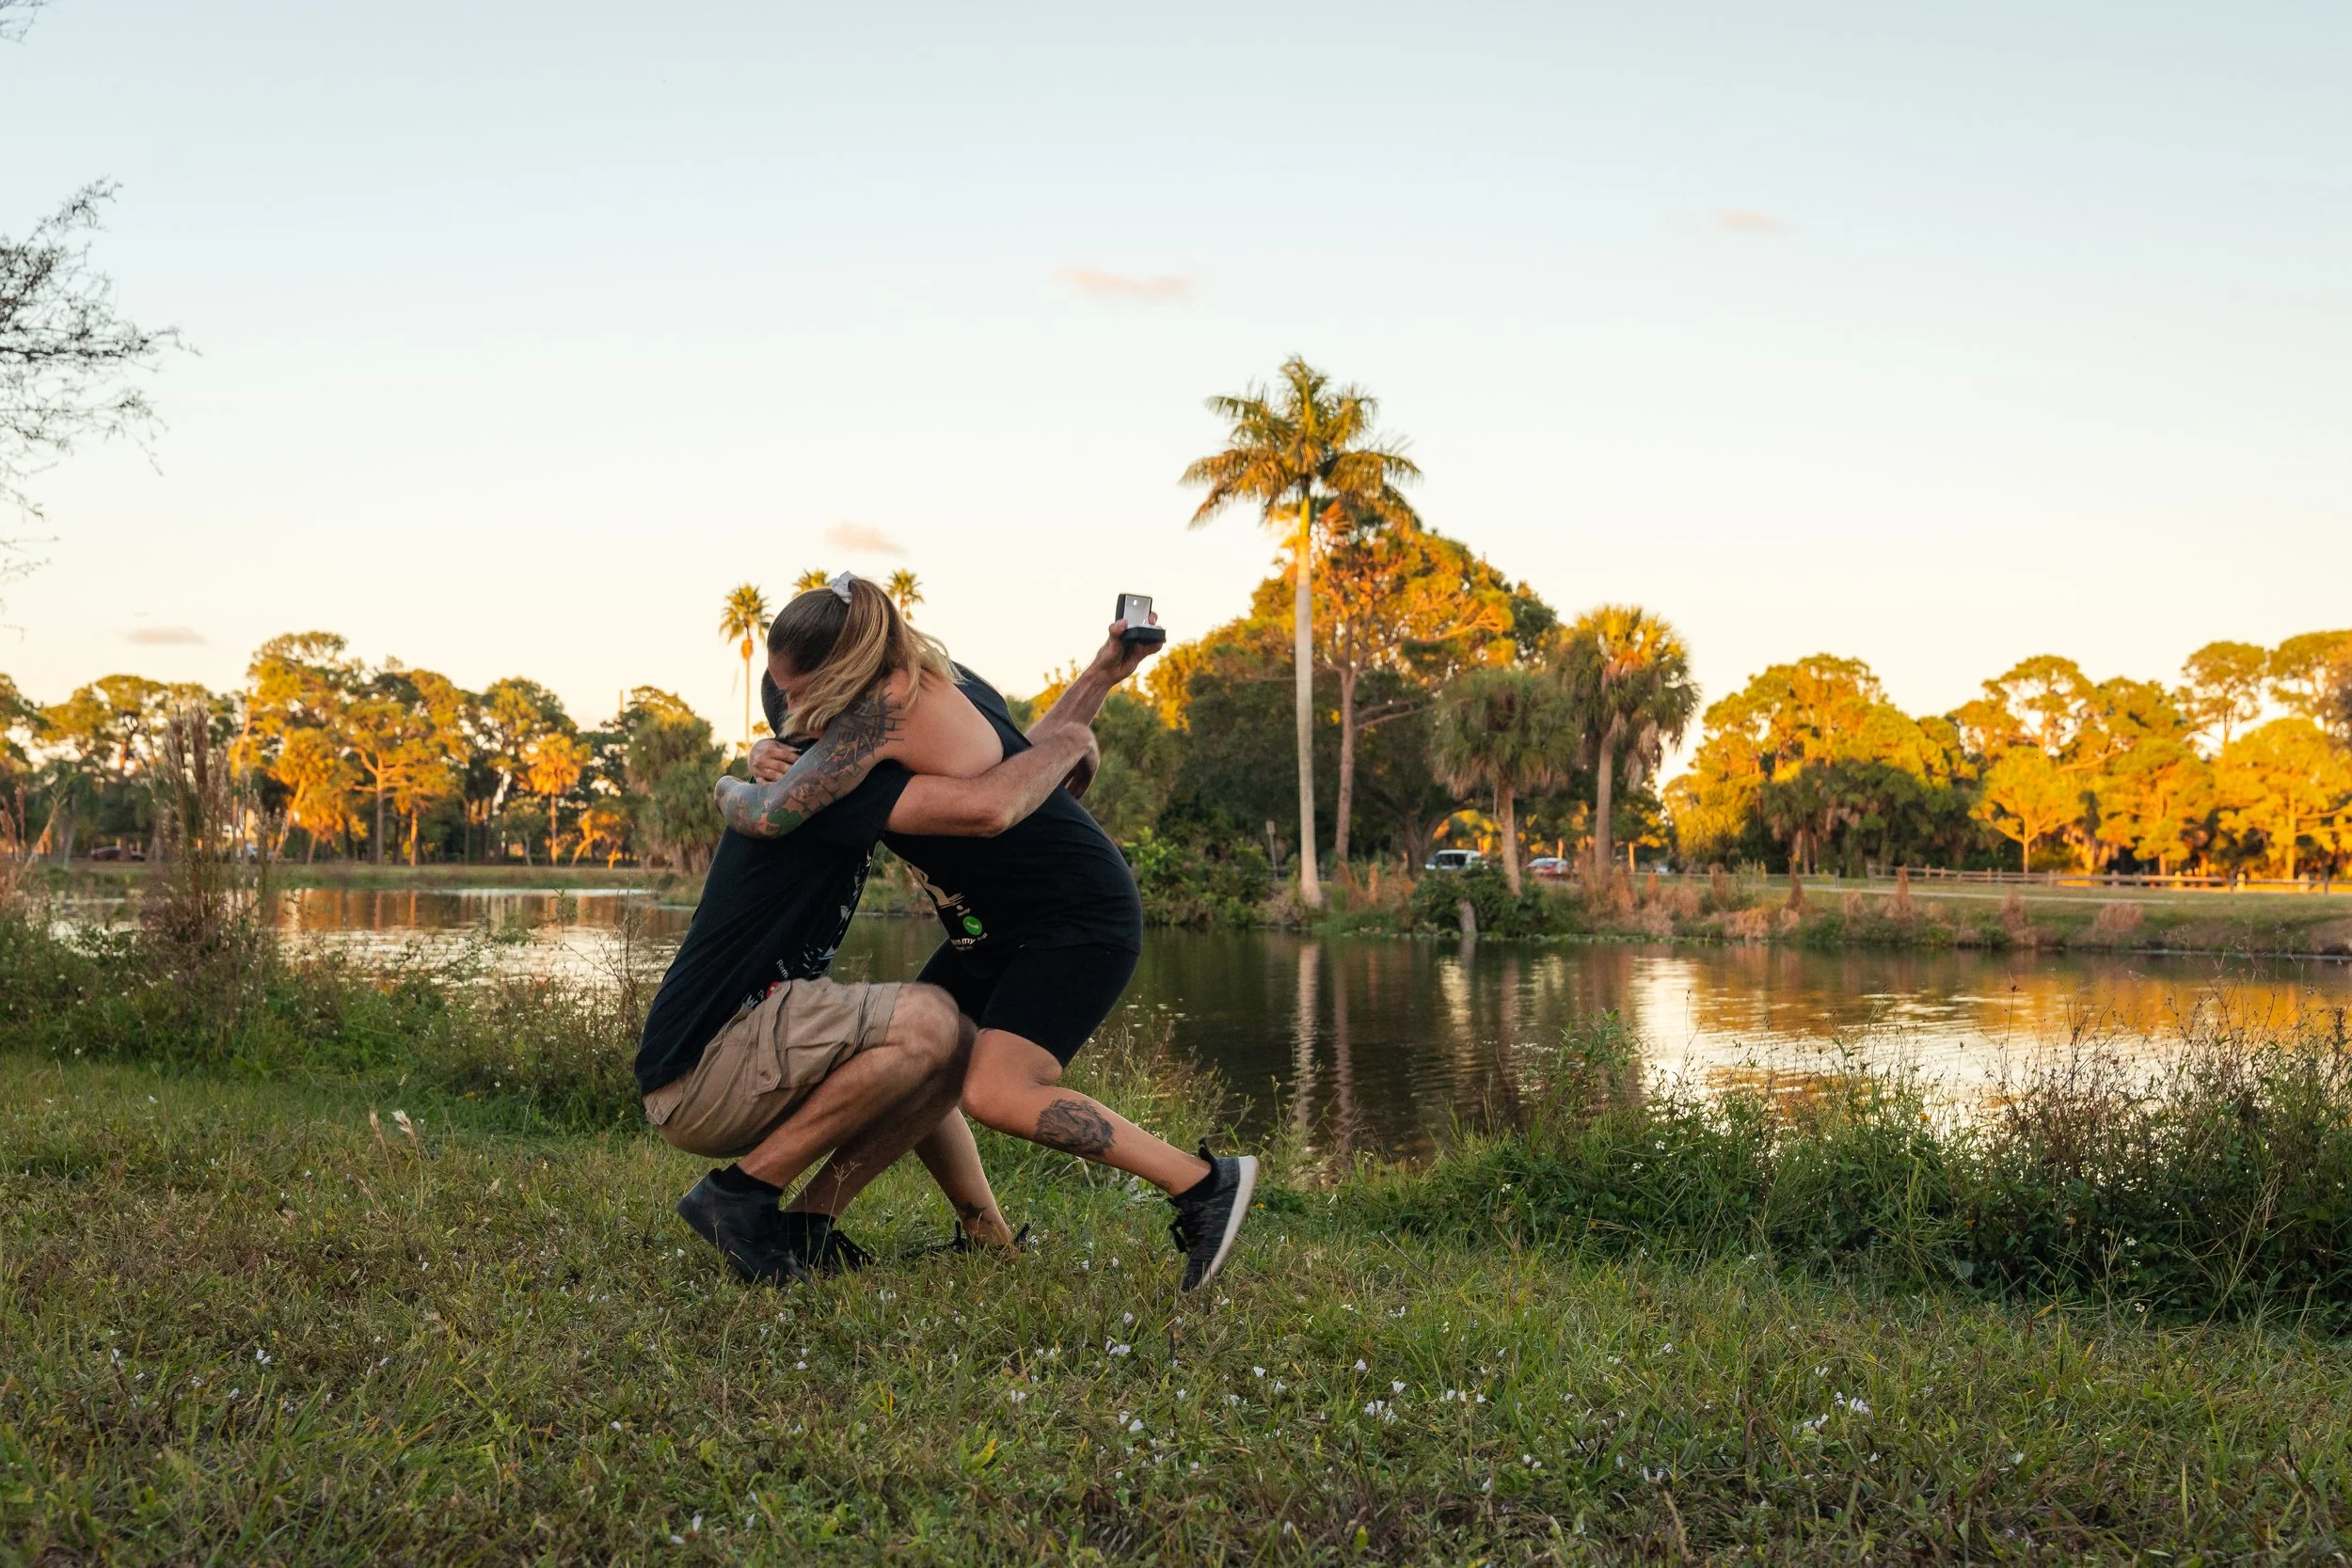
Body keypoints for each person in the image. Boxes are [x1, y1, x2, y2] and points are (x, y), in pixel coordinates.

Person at [723, 575, 1257, 1293]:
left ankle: (1203, 1184)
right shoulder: (941, 681)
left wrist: (748, 778)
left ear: (840, 685)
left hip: (1076, 911)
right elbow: (1019, 755)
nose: (797, 725)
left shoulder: (889, 716)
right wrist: (1099, 678)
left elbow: (992, 805)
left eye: (798, 707)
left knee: (998, 1091)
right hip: (997, 923)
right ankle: (840, 1224)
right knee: (922, 1056)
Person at [637, 630, 1102, 1287]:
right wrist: (1072, 742)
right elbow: (994, 802)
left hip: (730, 1059)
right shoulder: (830, 786)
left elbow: (999, 764)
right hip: (703, 1072)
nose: (898, 709)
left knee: (948, 1043)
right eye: (879, 697)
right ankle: (739, 1196)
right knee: (931, 1020)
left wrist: (1101, 678)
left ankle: (830, 1223)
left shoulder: (816, 776)